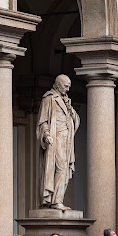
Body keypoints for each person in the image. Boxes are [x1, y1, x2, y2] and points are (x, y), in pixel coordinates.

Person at [37, 74, 80, 210]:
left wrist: (71, 111)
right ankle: (55, 201)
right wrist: (46, 135)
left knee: (65, 170)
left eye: (69, 87)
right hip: (55, 139)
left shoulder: (67, 101)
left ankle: (57, 199)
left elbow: (75, 119)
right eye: (66, 86)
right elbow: (43, 120)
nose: (67, 89)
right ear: (58, 84)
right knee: (60, 168)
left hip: (67, 140)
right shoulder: (49, 98)